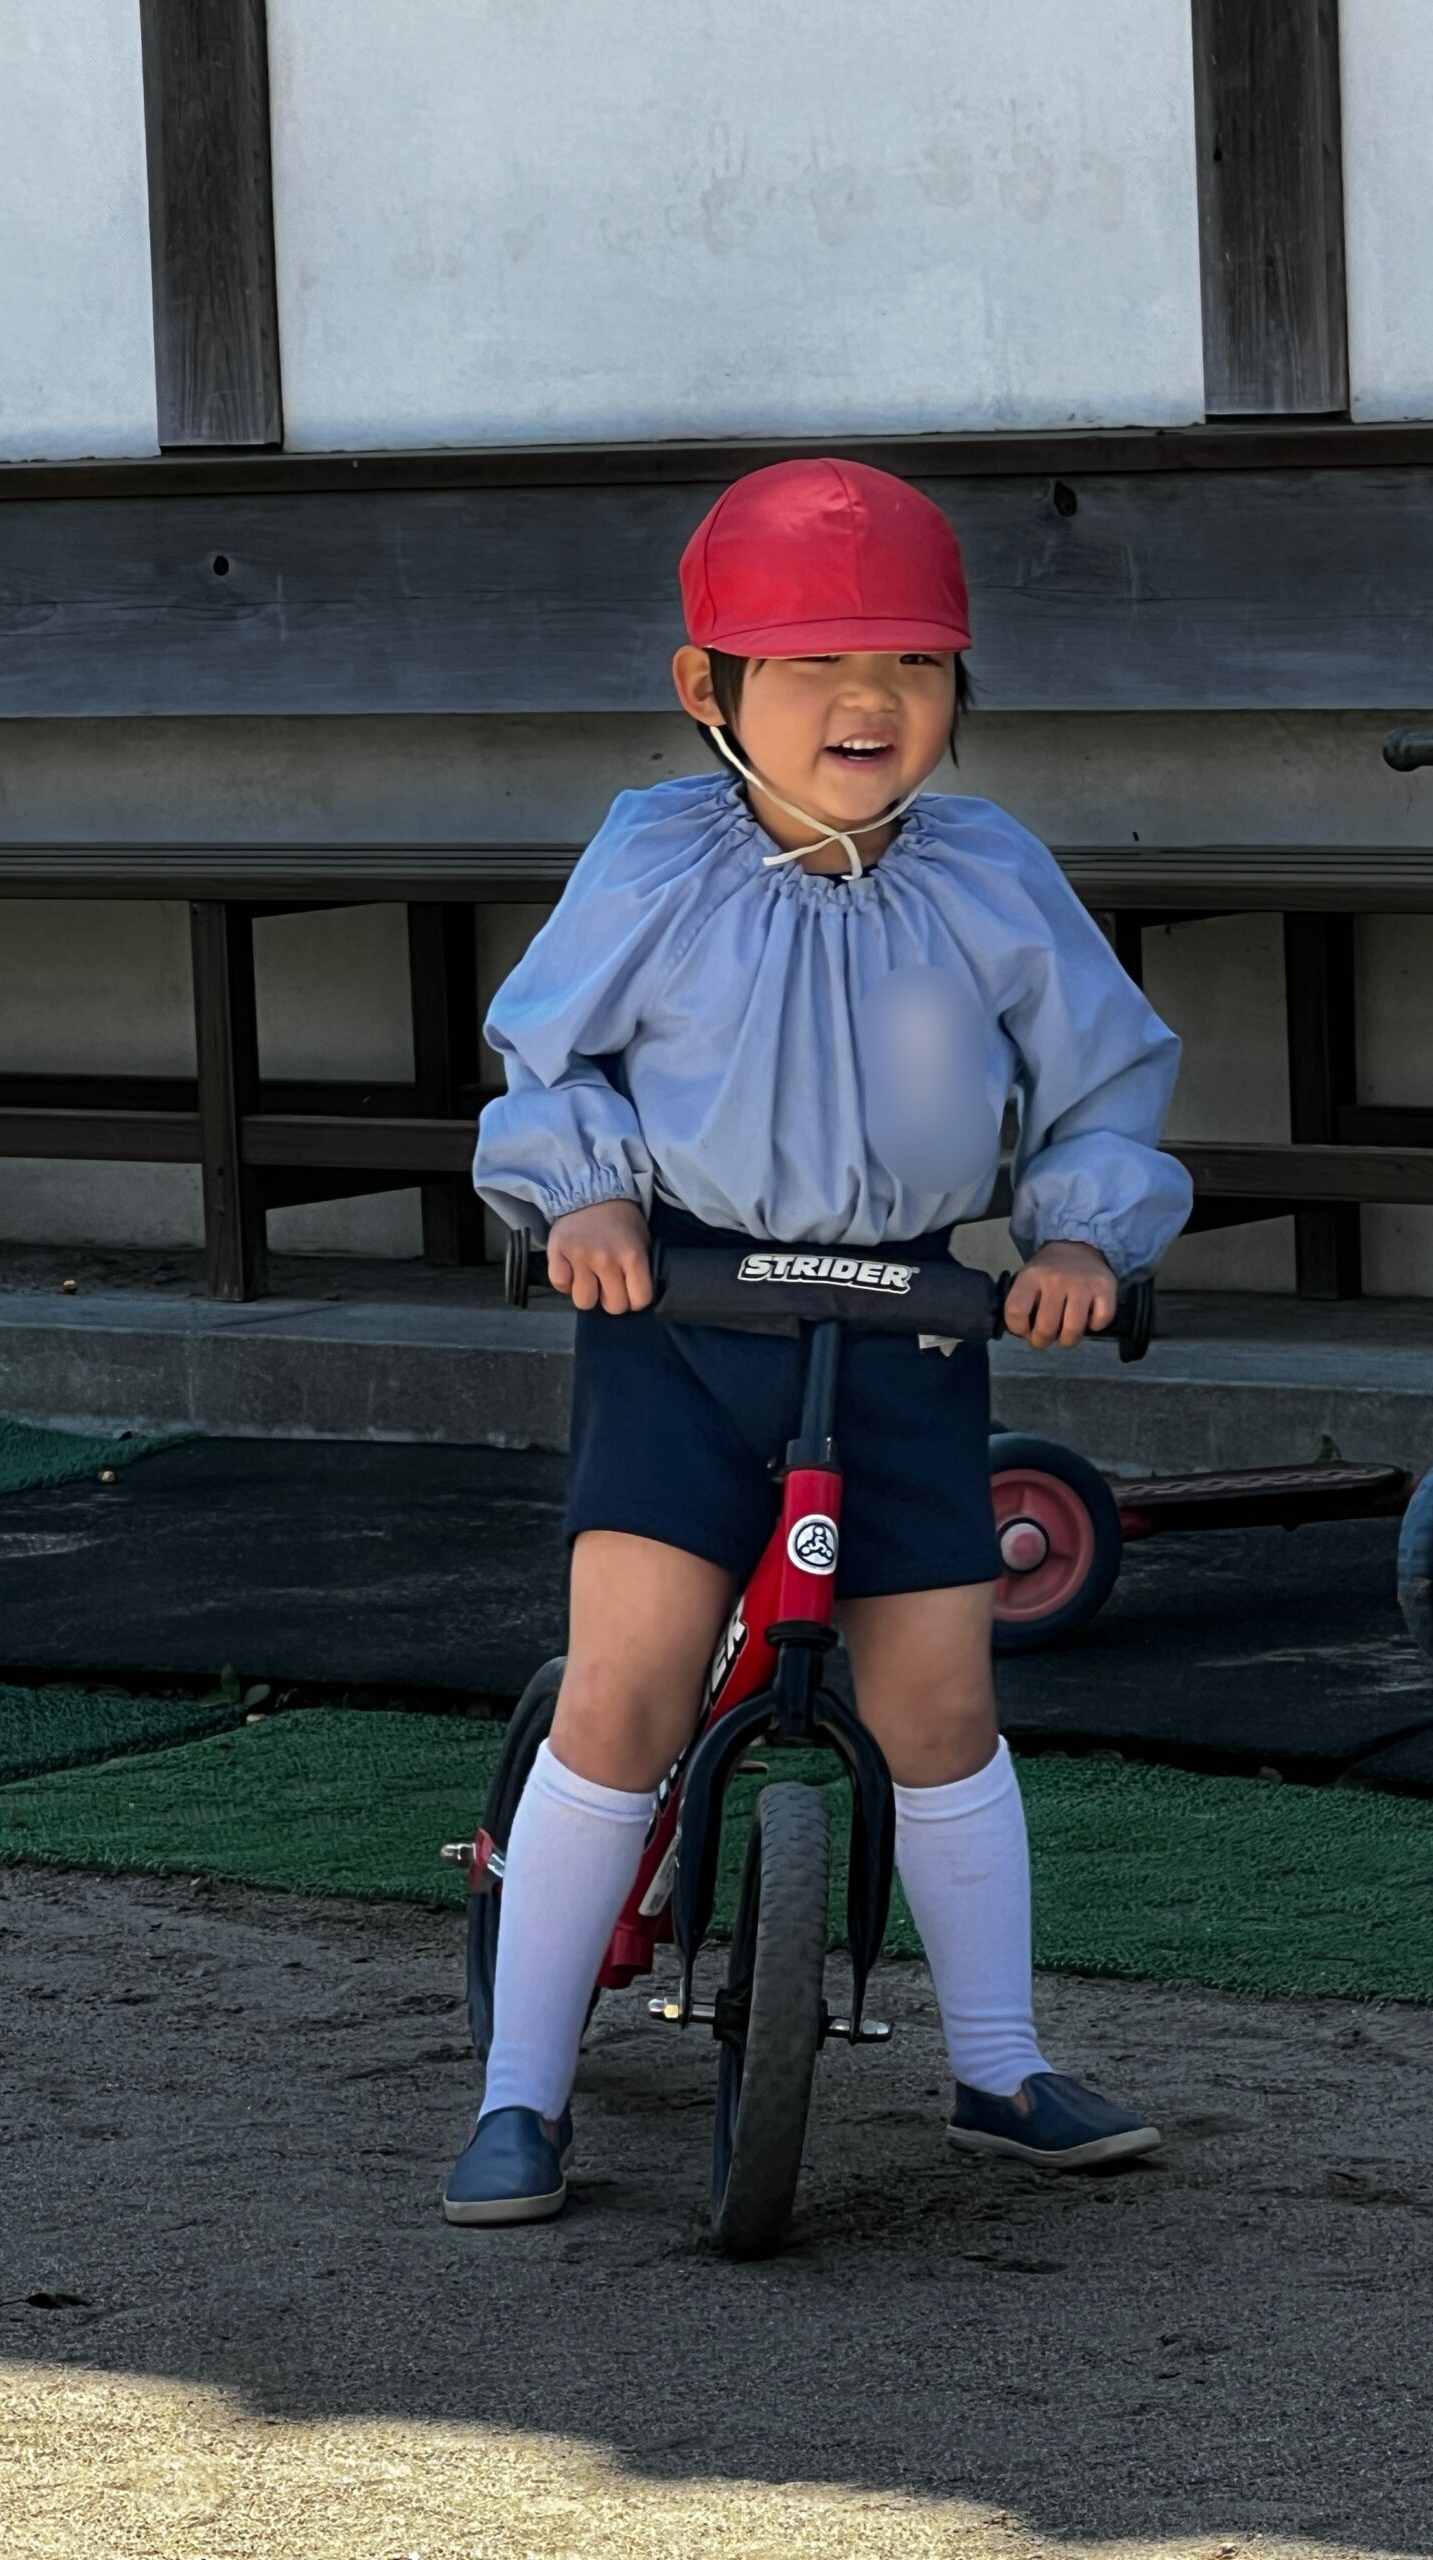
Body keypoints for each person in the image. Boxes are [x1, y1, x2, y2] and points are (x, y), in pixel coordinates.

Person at [445, 457, 1193, 2225]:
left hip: (911, 1325)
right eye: (815, 666)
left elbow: (1107, 1080)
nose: (873, 699)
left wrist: (1077, 1236)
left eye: (916, 663)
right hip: (681, 1320)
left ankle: (999, 2065)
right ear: (708, 689)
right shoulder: (654, 859)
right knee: (626, 1690)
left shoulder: (993, 877)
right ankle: (521, 2092)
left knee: (939, 1703)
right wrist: (586, 1201)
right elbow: (548, 1056)